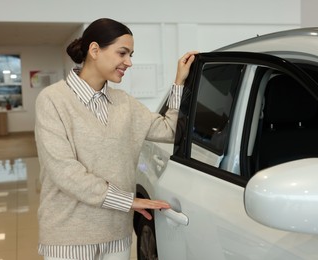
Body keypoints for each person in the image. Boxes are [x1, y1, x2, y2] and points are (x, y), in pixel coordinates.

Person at [35, 18, 197, 260]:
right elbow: (64, 172)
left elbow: (169, 131)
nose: (129, 62)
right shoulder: (52, 100)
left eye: (130, 54)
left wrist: (179, 82)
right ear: (94, 50)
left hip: (116, 234)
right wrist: (128, 202)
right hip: (68, 234)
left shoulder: (125, 103)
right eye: (122, 53)